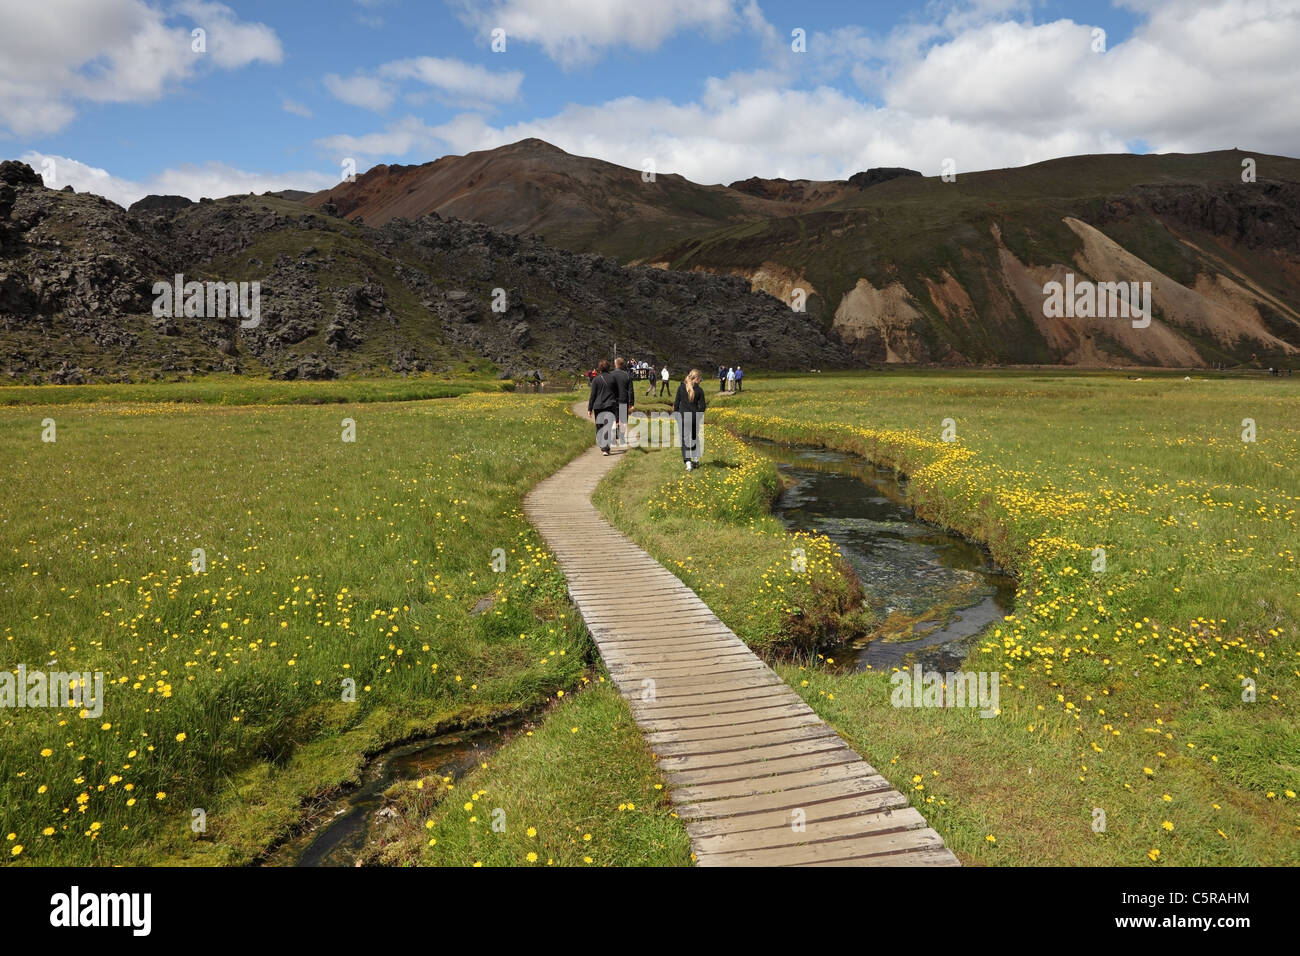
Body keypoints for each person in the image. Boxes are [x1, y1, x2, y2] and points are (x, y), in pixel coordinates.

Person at [673, 368, 707, 471]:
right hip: (694, 417)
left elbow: (676, 403)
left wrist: (677, 416)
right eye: (700, 379)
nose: (700, 381)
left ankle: (688, 463)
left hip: (683, 417)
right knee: (694, 438)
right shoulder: (699, 390)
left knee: (685, 440)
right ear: (696, 378)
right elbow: (702, 407)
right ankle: (696, 460)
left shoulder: (681, 388)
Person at [587, 359, 619, 456]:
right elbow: (617, 394)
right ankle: (606, 448)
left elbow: (593, 395)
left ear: (599, 368)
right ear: (608, 367)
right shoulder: (613, 378)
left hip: (598, 406)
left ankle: (603, 446)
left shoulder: (596, 379)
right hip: (610, 405)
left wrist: (589, 409)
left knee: (599, 426)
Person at [611, 356, 635, 447]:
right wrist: (631, 403)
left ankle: (613, 439)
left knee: (614, 420)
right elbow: (631, 391)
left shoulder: (611, 374)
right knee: (623, 421)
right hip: (624, 400)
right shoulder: (627, 375)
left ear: (615, 364)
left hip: (612, 400)